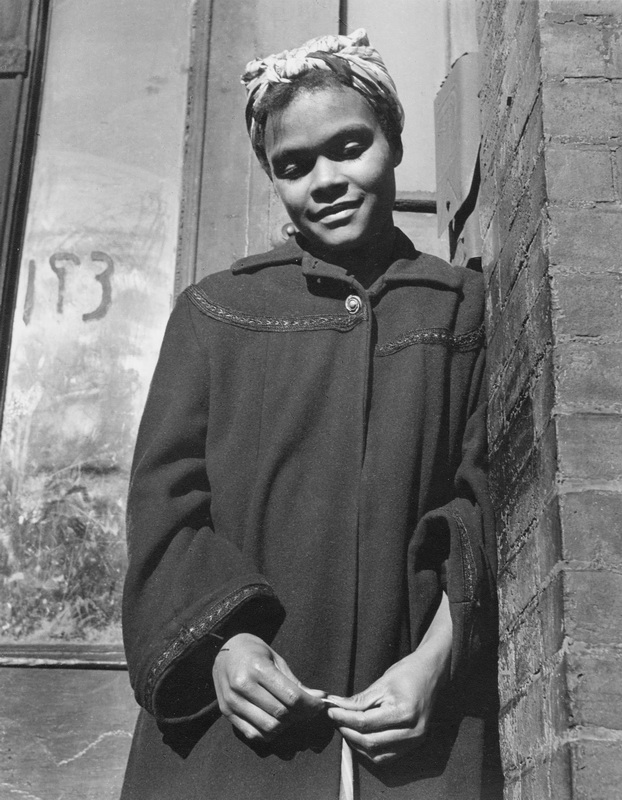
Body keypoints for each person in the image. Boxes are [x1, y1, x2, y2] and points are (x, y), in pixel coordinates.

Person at [120, 29, 501, 800]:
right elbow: (166, 513)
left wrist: (433, 662)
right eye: (294, 166)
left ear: (393, 144)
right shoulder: (216, 312)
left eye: (350, 146)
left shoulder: (458, 309)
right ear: (272, 177)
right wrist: (226, 649)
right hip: (236, 745)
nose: (325, 179)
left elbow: (488, 499)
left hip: (411, 735)